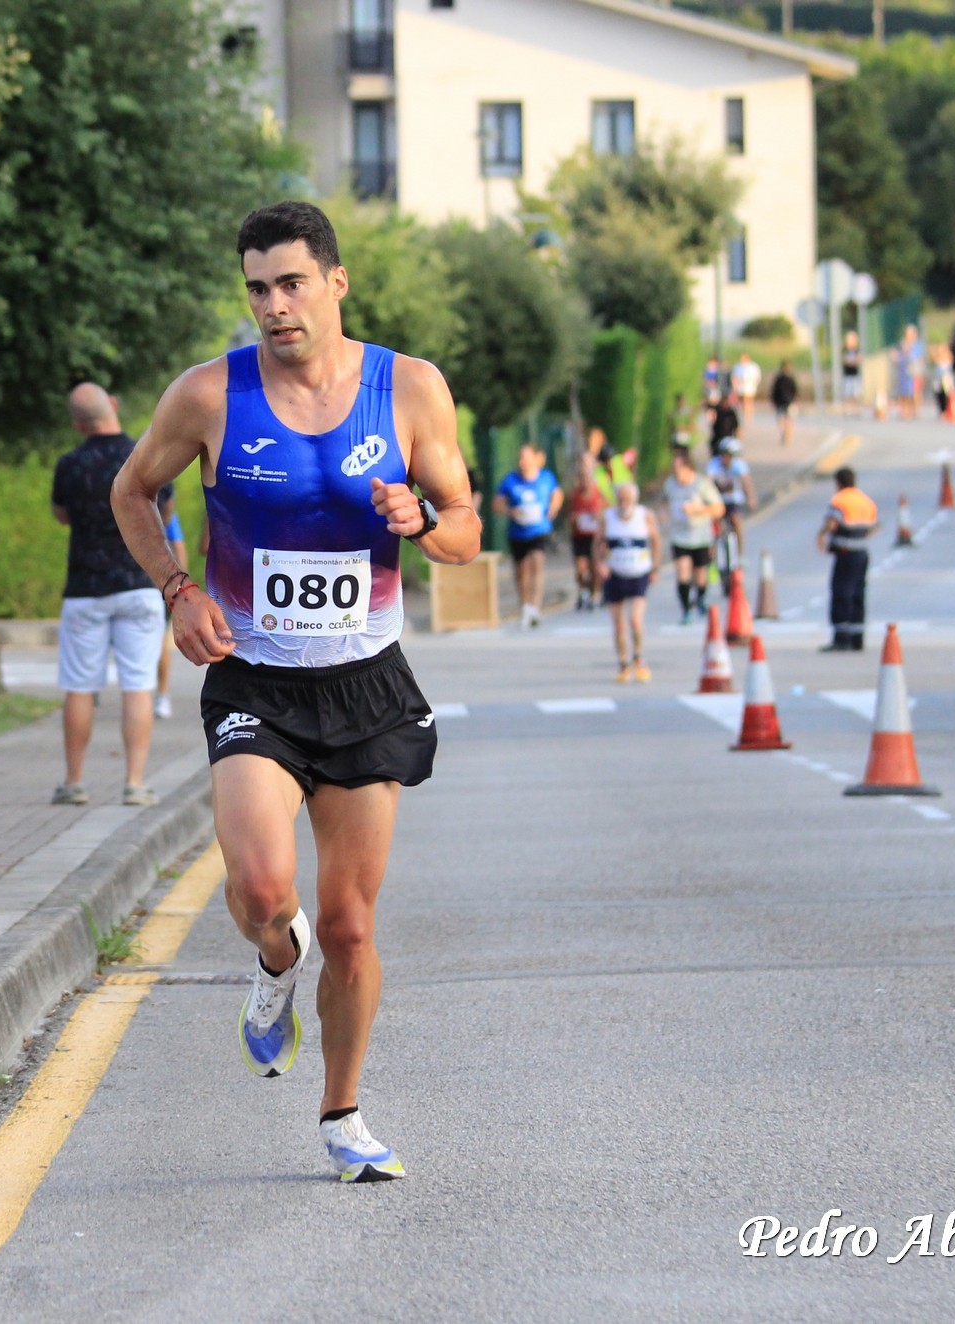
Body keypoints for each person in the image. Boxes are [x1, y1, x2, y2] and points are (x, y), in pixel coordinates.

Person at [110, 200, 479, 1183]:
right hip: (253, 682)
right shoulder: (207, 395)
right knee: (263, 890)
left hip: (366, 682)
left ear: (334, 282)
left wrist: (419, 519)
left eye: (290, 284)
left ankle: (342, 1115)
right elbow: (130, 490)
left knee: (352, 925)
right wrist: (179, 590)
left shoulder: (409, 389)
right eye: (257, 289)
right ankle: (274, 960)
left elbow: (463, 530)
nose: (273, 306)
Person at [52, 384, 168, 807]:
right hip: (138, 585)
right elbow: (162, 510)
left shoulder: (70, 464)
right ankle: (135, 782)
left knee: (79, 686)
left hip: (85, 587)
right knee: (138, 684)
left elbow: (62, 513)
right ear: (113, 407)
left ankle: (73, 781)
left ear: (78, 424)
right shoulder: (143, 453)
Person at [493, 442, 563, 628]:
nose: (521, 461)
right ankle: (525, 605)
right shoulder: (511, 480)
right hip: (518, 532)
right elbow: (497, 504)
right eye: (519, 457)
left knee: (537, 562)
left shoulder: (546, 478)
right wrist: (512, 512)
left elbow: (557, 494)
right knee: (521, 570)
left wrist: (553, 509)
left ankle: (535, 606)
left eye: (525, 457)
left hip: (539, 530)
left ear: (534, 459)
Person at [597, 480, 660, 682]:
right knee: (618, 625)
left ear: (635, 499)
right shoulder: (607, 517)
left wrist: (655, 567)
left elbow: (656, 541)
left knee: (635, 620)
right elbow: (597, 543)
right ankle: (623, 663)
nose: (624, 502)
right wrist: (600, 563)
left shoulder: (645, 516)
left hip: (639, 573)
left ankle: (639, 658)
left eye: (628, 498)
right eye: (621, 498)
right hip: (615, 573)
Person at [817, 466, 878, 652]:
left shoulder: (840, 500)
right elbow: (873, 526)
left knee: (841, 593)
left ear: (838, 482)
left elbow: (831, 523)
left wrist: (821, 536)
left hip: (845, 553)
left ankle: (841, 638)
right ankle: (857, 638)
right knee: (858, 594)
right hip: (862, 553)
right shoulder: (865, 500)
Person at [662, 447, 722, 624]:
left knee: (700, 575)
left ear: (688, 468)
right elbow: (664, 502)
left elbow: (718, 508)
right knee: (682, 573)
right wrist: (663, 514)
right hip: (679, 537)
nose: (676, 473)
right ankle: (686, 609)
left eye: (678, 469)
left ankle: (701, 597)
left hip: (700, 536)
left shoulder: (702, 484)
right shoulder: (670, 484)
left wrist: (697, 509)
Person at [153, 485, 186, 720]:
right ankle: (161, 696)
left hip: (153, 584)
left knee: (160, 643)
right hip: (149, 584)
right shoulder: (162, 513)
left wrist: (181, 587)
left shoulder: (165, 515)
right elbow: (179, 547)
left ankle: (162, 694)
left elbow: (178, 545)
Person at [568, 455, 607, 612]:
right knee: (580, 568)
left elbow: (605, 514)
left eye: (586, 478)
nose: (584, 481)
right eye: (581, 478)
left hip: (595, 537)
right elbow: (569, 515)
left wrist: (599, 519)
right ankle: (583, 590)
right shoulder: (574, 495)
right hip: (579, 536)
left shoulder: (599, 494)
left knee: (595, 567)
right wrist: (574, 519)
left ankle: (595, 594)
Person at [707, 437, 755, 555]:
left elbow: (746, 483)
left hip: (734, 501)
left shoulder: (739, 465)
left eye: (728, 455)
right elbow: (707, 483)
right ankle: (712, 556)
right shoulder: (714, 464)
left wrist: (751, 498)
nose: (725, 458)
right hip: (718, 501)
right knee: (713, 526)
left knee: (736, 521)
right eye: (723, 454)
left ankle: (739, 554)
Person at [770, 359, 799, 446]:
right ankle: (785, 434)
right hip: (782, 402)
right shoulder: (780, 379)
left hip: (788, 402)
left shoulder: (788, 378)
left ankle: (787, 435)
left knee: (787, 420)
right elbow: (774, 391)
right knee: (784, 420)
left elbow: (795, 391)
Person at [731, 351, 762, 427]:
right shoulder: (738, 366)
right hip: (740, 387)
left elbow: (757, 377)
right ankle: (743, 414)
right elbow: (734, 377)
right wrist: (735, 385)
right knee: (741, 402)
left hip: (749, 387)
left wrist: (754, 384)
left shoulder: (753, 366)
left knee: (748, 401)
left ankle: (748, 415)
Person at [840, 329, 862, 407]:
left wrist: (852, 361)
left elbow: (859, 360)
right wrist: (853, 361)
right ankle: (848, 409)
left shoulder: (856, 351)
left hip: (855, 375)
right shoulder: (845, 350)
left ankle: (855, 409)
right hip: (847, 375)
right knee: (847, 393)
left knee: (856, 394)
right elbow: (846, 360)